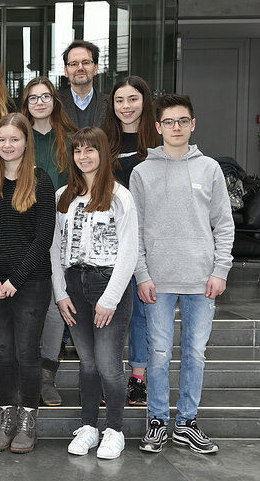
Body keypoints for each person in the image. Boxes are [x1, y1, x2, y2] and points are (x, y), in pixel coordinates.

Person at [134, 94, 234, 455]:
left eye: (183, 121)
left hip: (201, 279)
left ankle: (186, 422)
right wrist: (142, 274)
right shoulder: (141, 171)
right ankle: (158, 420)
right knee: (158, 353)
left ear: (193, 125)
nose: (176, 128)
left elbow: (224, 224)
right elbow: (136, 229)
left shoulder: (209, 168)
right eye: (169, 122)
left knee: (195, 352)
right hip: (157, 281)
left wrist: (221, 269)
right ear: (158, 127)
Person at [50, 127, 138, 460]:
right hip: (73, 285)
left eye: (90, 150)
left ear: (103, 153)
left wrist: (110, 299)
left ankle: (114, 430)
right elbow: (55, 249)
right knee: (86, 363)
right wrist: (60, 293)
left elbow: (130, 252)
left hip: (108, 286)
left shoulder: (119, 195)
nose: (83, 157)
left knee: (108, 364)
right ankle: (89, 426)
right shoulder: (64, 196)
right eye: (77, 151)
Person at [0, 113, 55, 454]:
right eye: (3, 140)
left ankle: (28, 419)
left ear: (26, 142)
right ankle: (7, 414)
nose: (8, 145)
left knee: (26, 351)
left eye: (15, 139)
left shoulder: (41, 181)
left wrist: (15, 281)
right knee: (3, 351)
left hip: (32, 282)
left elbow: (43, 238)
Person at [102, 75, 160, 406]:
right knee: (110, 308)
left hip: (147, 242)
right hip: (108, 241)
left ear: (144, 101)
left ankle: (138, 377)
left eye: (133, 99)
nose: (126, 106)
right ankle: (106, 375)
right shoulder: (104, 141)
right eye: (120, 100)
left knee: (140, 311)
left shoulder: (158, 141)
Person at [20, 76, 77, 407]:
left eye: (45, 97)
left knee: (59, 303)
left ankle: (47, 375)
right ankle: (24, 373)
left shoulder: (71, 140)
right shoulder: (18, 138)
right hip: (24, 232)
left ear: (55, 101)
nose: (39, 103)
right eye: (32, 98)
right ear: (25, 104)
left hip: (63, 232)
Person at [58, 40, 108, 128]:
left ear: (96, 68)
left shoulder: (110, 104)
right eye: (74, 64)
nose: (80, 68)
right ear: (66, 71)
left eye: (86, 62)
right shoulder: (55, 103)